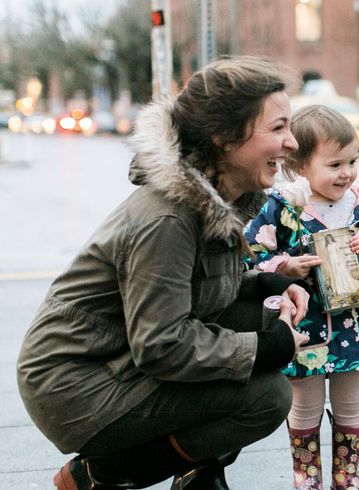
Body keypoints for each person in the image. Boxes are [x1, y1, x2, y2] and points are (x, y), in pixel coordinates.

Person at [17, 56, 313, 489]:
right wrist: (265, 349)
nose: (291, 142)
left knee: (258, 318)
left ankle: (198, 474)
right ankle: (100, 476)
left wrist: (267, 284)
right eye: (278, 128)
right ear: (224, 137)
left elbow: (195, 292)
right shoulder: (169, 220)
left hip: (117, 363)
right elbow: (161, 344)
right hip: (75, 387)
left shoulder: (215, 198)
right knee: (266, 398)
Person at [243, 104, 359, 490]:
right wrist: (285, 267)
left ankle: (346, 477)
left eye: (352, 161)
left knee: (351, 402)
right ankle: (307, 477)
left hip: (357, 326)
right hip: (306, 325)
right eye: (334, 165)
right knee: (305, 404)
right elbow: (253, 254)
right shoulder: (282, 208)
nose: (347, 173)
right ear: (300, 166)